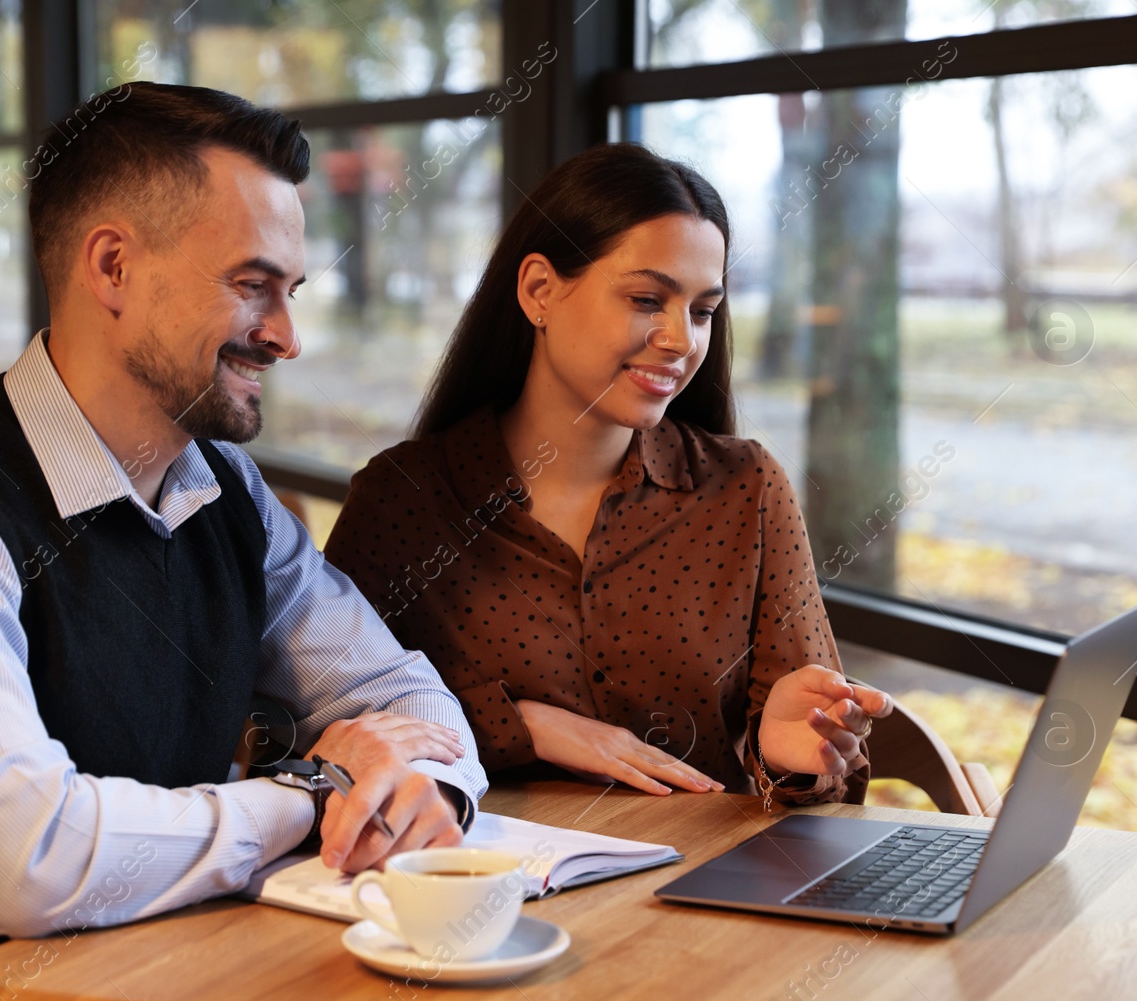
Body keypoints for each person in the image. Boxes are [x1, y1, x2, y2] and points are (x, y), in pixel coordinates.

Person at [0, 84, 487, 1001]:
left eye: (291, 292)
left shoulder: (231, 490)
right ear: (114, 266)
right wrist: (312, 791)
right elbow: (31, 860)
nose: (285, 336)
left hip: (172, 997)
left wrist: (421, 787)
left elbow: (402, 698)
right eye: (253, 282)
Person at [324, 143, 892, 807]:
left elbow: (835, 785)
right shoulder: (404, 502)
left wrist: (791, 759)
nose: (682, 340)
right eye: (649, 299)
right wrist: (521, 726)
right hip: (483, 888)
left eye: (703, 310)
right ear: (540, 290)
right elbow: (322, 728)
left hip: (692, 892)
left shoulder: (747, 489)